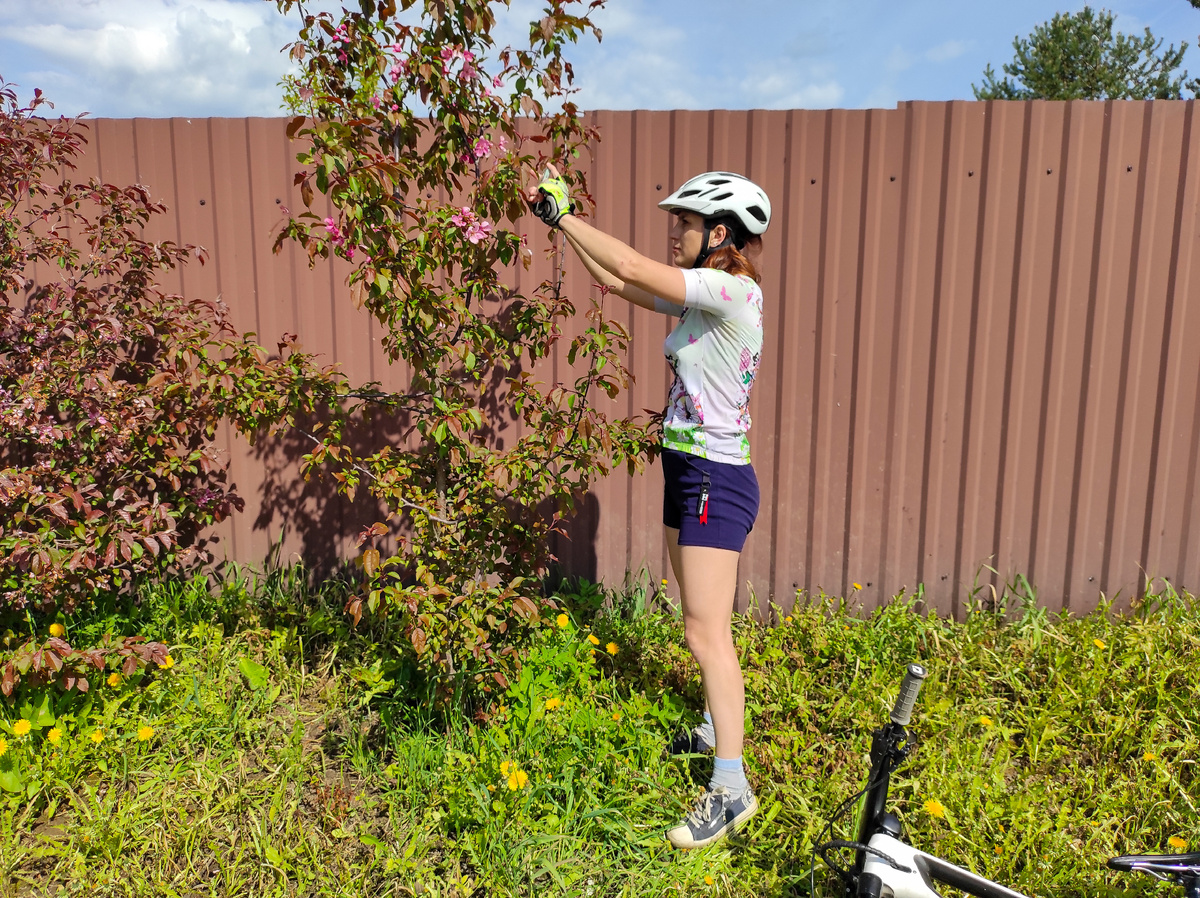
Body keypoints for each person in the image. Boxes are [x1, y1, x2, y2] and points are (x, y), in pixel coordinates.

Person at [528, 166, 771, 849]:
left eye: (686, 225)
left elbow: (631, 261)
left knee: (705, 632)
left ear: (717, 234)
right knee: (695, 614)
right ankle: (710, 726)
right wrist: (560, 225)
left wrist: (565, 215)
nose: (675, 234)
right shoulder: (701, 300)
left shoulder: (730, 291)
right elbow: (618, 281)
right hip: (687, 467)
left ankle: (731, 785)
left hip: (715, 479)